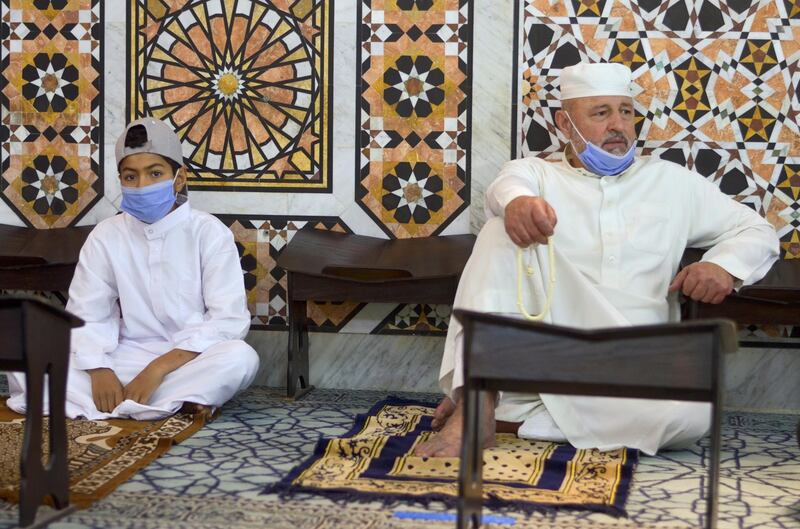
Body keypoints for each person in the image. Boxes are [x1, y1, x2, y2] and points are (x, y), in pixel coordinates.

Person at [416, 62, 779, 457]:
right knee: (501, 229)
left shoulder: (672, 182)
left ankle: (507, 415)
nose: (618, 126)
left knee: (692, 414)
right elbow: (508, 187)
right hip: (546, 352)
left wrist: (723, 265)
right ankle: (477, 404)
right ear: (565, 122)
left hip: (632, 361)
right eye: (601, 113)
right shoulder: (536, 174)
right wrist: (518, 203)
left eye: (626, 112)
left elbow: (757, 231)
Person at [6, 118, 260, 420]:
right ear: (121, 180)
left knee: (240, 358)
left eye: (155, 174)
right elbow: (88, 313)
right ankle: (174, 401)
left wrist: (157, 368)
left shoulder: (209, 233)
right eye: (131, 176)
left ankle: (139, 397)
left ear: (179, 178)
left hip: (186, 359)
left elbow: (228, 321)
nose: (142, 186)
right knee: (24, 351)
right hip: (121, 356)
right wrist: (99, 368)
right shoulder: (106, 235)